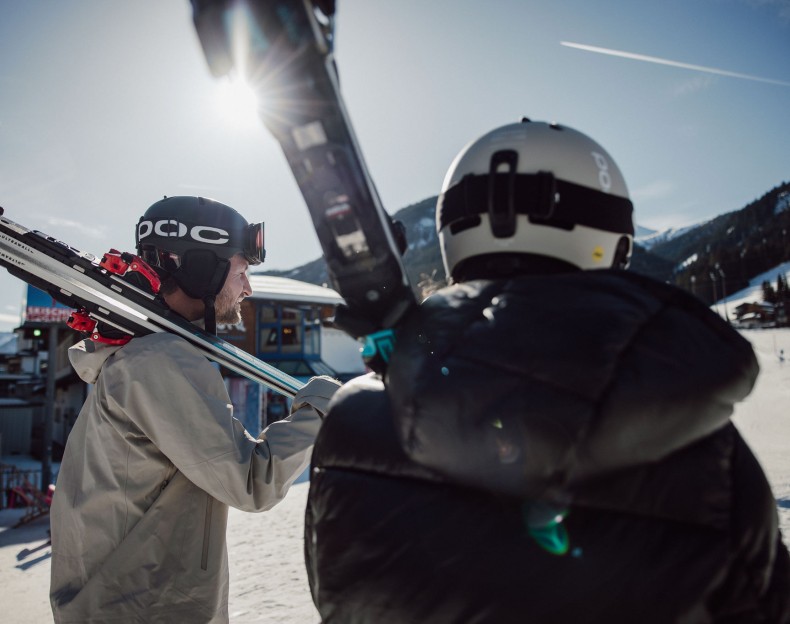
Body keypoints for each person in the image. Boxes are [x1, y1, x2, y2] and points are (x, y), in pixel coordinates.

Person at [304, 120, 790, 622]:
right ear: (615, 244)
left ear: (454, 236)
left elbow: (333, 596)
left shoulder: (355, 420)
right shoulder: (706, 451)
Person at [50, 196, 340, 623]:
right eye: (242, 271)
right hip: (145, 608)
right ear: (204, 269)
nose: (248, 288)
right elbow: (251, 481)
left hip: (130, 601)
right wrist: (322, 406)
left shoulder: (141, 357)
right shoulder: (159, 362)